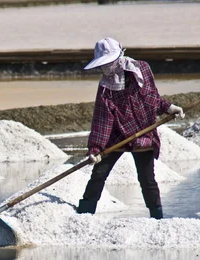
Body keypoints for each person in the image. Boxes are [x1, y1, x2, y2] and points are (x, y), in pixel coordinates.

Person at [77, 37, 185, 219]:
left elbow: (151, 97)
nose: (105, 69)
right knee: (98, 174)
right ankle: (84, 216)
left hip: (143, 130)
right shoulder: (105, 87)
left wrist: (168, 107)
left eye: (108, 64)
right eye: (102, 65)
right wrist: (95, 149)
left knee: (147, 179)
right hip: (116, 135)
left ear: (119, 57)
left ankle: (157, 216)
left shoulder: (141, 69)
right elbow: (102, 121)